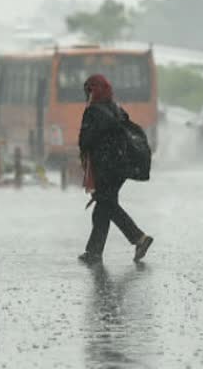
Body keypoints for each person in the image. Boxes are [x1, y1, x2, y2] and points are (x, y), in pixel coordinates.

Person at [78, 74, 153, 264]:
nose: (86, 95)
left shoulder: (93, 112)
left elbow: (85, 140)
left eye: (88, 91)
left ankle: (139, 238)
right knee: (103, 207)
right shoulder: (116, 109)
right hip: (121, 167)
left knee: (107, 204)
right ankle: (93, 252)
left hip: (105, 167)